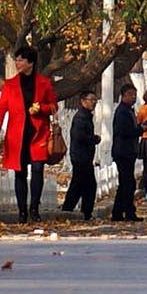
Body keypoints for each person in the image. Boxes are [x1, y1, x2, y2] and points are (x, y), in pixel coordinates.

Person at [0, 46, 58, 224]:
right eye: (17, 59)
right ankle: (22, 211)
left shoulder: (43, 83)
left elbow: (53, 106)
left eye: (21, 60)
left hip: (38, 134)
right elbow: (1, 108)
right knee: (19, 173)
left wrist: (40, 109)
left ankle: (34, 209)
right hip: (17, 136)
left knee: (37, 169)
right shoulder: (10, 84)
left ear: (31, 63)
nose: (17, 63)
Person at [63, 88, 100, 221]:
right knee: (87, 186)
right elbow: (79, 136)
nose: (94, 103)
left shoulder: (86, 116)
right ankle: (78, 211)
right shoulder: (80, 117)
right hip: (80, 157)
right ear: (83, 101)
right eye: (91, 100)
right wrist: (94, 139)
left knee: (80, 186)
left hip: (83, 156)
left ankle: (72, 210)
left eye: (95, 100)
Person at [109, 83, 142, 220]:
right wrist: (141, 129)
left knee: (128, 183)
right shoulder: (122, 111)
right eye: (130, 95)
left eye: (134, 95)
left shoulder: (129, 110)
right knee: (126, 183)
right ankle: (120, 212)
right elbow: (124, 131)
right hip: (123, 151)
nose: (133, 97)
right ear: (123, 96)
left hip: (128, 151)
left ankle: (127, 211)